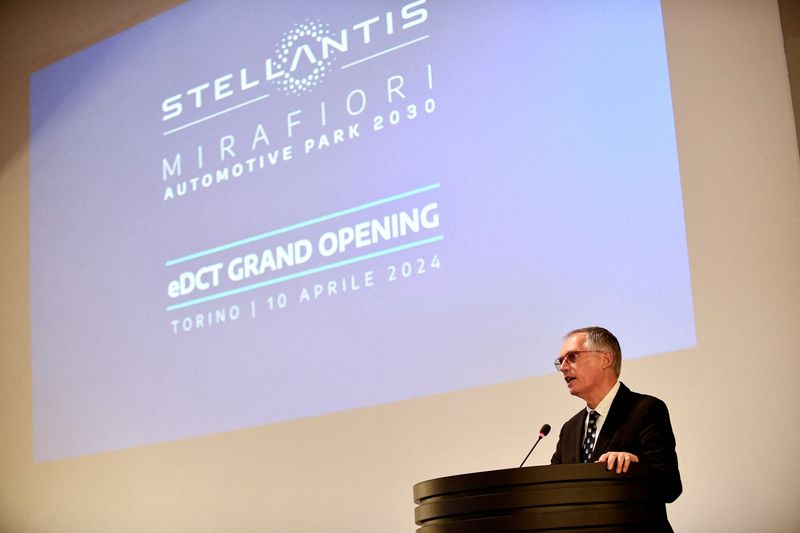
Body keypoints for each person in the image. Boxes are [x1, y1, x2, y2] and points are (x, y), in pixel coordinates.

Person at [550, 326, 682, 530]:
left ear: (605, 359)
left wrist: (636, 466)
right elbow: (553, 492)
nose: (564, 368)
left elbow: (670, 486)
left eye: (572, 357)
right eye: (561, 362)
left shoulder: (646, 410)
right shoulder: (570, 429)